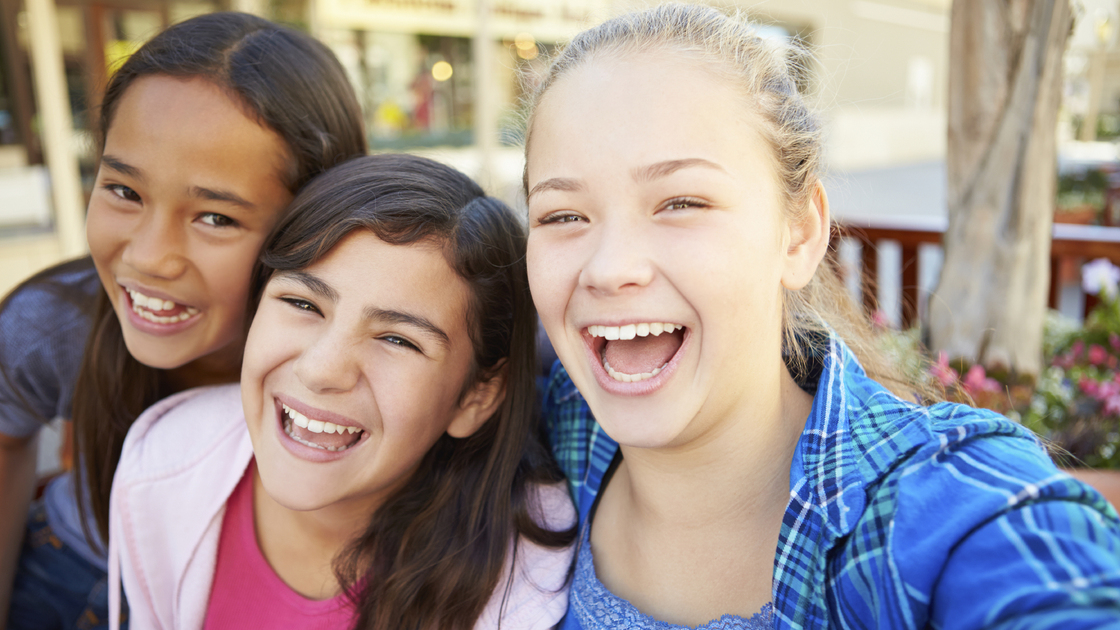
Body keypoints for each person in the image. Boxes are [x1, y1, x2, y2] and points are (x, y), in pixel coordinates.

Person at [521, 4, 1120, 628]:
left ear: (800, 233)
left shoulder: (941, 510)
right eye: (563, 215)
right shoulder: (547, 423)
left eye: (680, 202)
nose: (610, 268)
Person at [0, 12, 367, 628]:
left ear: (316, 224)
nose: (147, 256)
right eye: (123, 191)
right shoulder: (56, 326)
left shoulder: (364, 360)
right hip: (71, 570)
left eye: (216, 218)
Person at [107, 154, 577, 630]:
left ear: (476, 396)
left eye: (397, 339)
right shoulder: (164, 466)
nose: (320, 370)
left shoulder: (522, 591)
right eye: (301, 302)